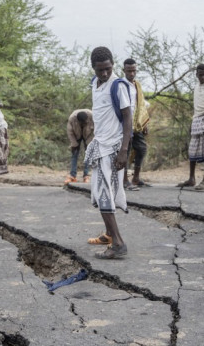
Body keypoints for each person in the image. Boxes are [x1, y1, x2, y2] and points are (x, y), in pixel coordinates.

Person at [84, 46, 132, 259]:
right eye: (100, 70)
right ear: (93, 68)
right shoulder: (95, 84)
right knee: (101, 193)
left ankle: (118, 244)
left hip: (112, 149)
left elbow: (128, 118)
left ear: (113, 64)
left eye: (108, 69)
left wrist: (124, 151)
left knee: (105, 195)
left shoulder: (118, 85)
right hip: (100, 146)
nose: (104, 73)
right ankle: (109, 234)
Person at [121, 58, 151, 191]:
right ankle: (124, 180)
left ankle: (136, 178)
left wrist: (144, 123)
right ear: (124, 70)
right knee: (125, 152)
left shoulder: (137, 85)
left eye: (134, 71)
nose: (131, 74)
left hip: (137, 124)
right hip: (125, 124)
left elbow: (141, 105)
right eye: (129, 71)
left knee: (142, 149)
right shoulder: (121, 84)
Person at [65, 109, 94, 184]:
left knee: (88, 154)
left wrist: (89, 143)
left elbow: (96, 130)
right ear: (79, 121)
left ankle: (86, 175)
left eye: (86, 122)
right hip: (76, 134)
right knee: (74, 154)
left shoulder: (92, 116)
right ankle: (73, 175)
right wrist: (74, 144)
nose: (85, 123)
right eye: (83, 123)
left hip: (88, 135)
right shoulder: (72, 119)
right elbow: (70, 132)